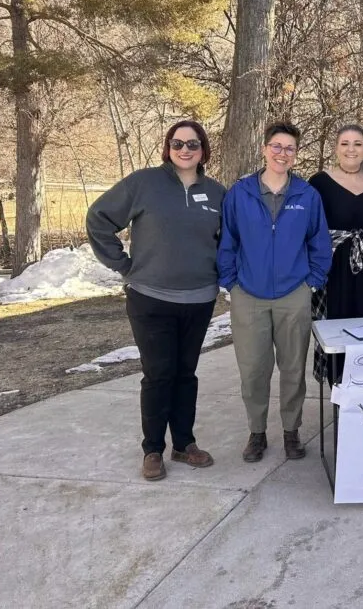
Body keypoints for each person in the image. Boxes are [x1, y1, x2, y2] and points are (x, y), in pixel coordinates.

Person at [86, 120, 225, 482]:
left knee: (185, 374)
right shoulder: (143, 183)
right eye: (177, 143)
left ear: (203, 150)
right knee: (158, 374)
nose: (184, 149)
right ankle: (153, 450)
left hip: (199, 299)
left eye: (192, 144)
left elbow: (229, 240)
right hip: (150, 298)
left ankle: (184, 444)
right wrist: (124, 265)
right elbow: (99, 218)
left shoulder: (216, 193)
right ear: (168, 148)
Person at [218, 122, 333, 463]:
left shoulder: (307, 196)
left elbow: (319, 243)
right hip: (248, 295)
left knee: (293, 368)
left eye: (290, 148)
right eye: (277, 146)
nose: (283, 153)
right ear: (265, 148)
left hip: (292, 294)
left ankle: (291, 431)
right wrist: (231, 283)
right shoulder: (240, 193)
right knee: (253, 369)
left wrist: (311, 281)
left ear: (296, 155)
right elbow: (228, 242)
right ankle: (256, 433)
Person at [309, 125, 363, 385]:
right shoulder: (319, 183)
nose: (351, 149)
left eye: (357, 144)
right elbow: (309, 228)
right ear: (336, 149)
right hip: (336, 273)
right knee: (341, 332)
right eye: (345, 143)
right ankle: (342, 397)